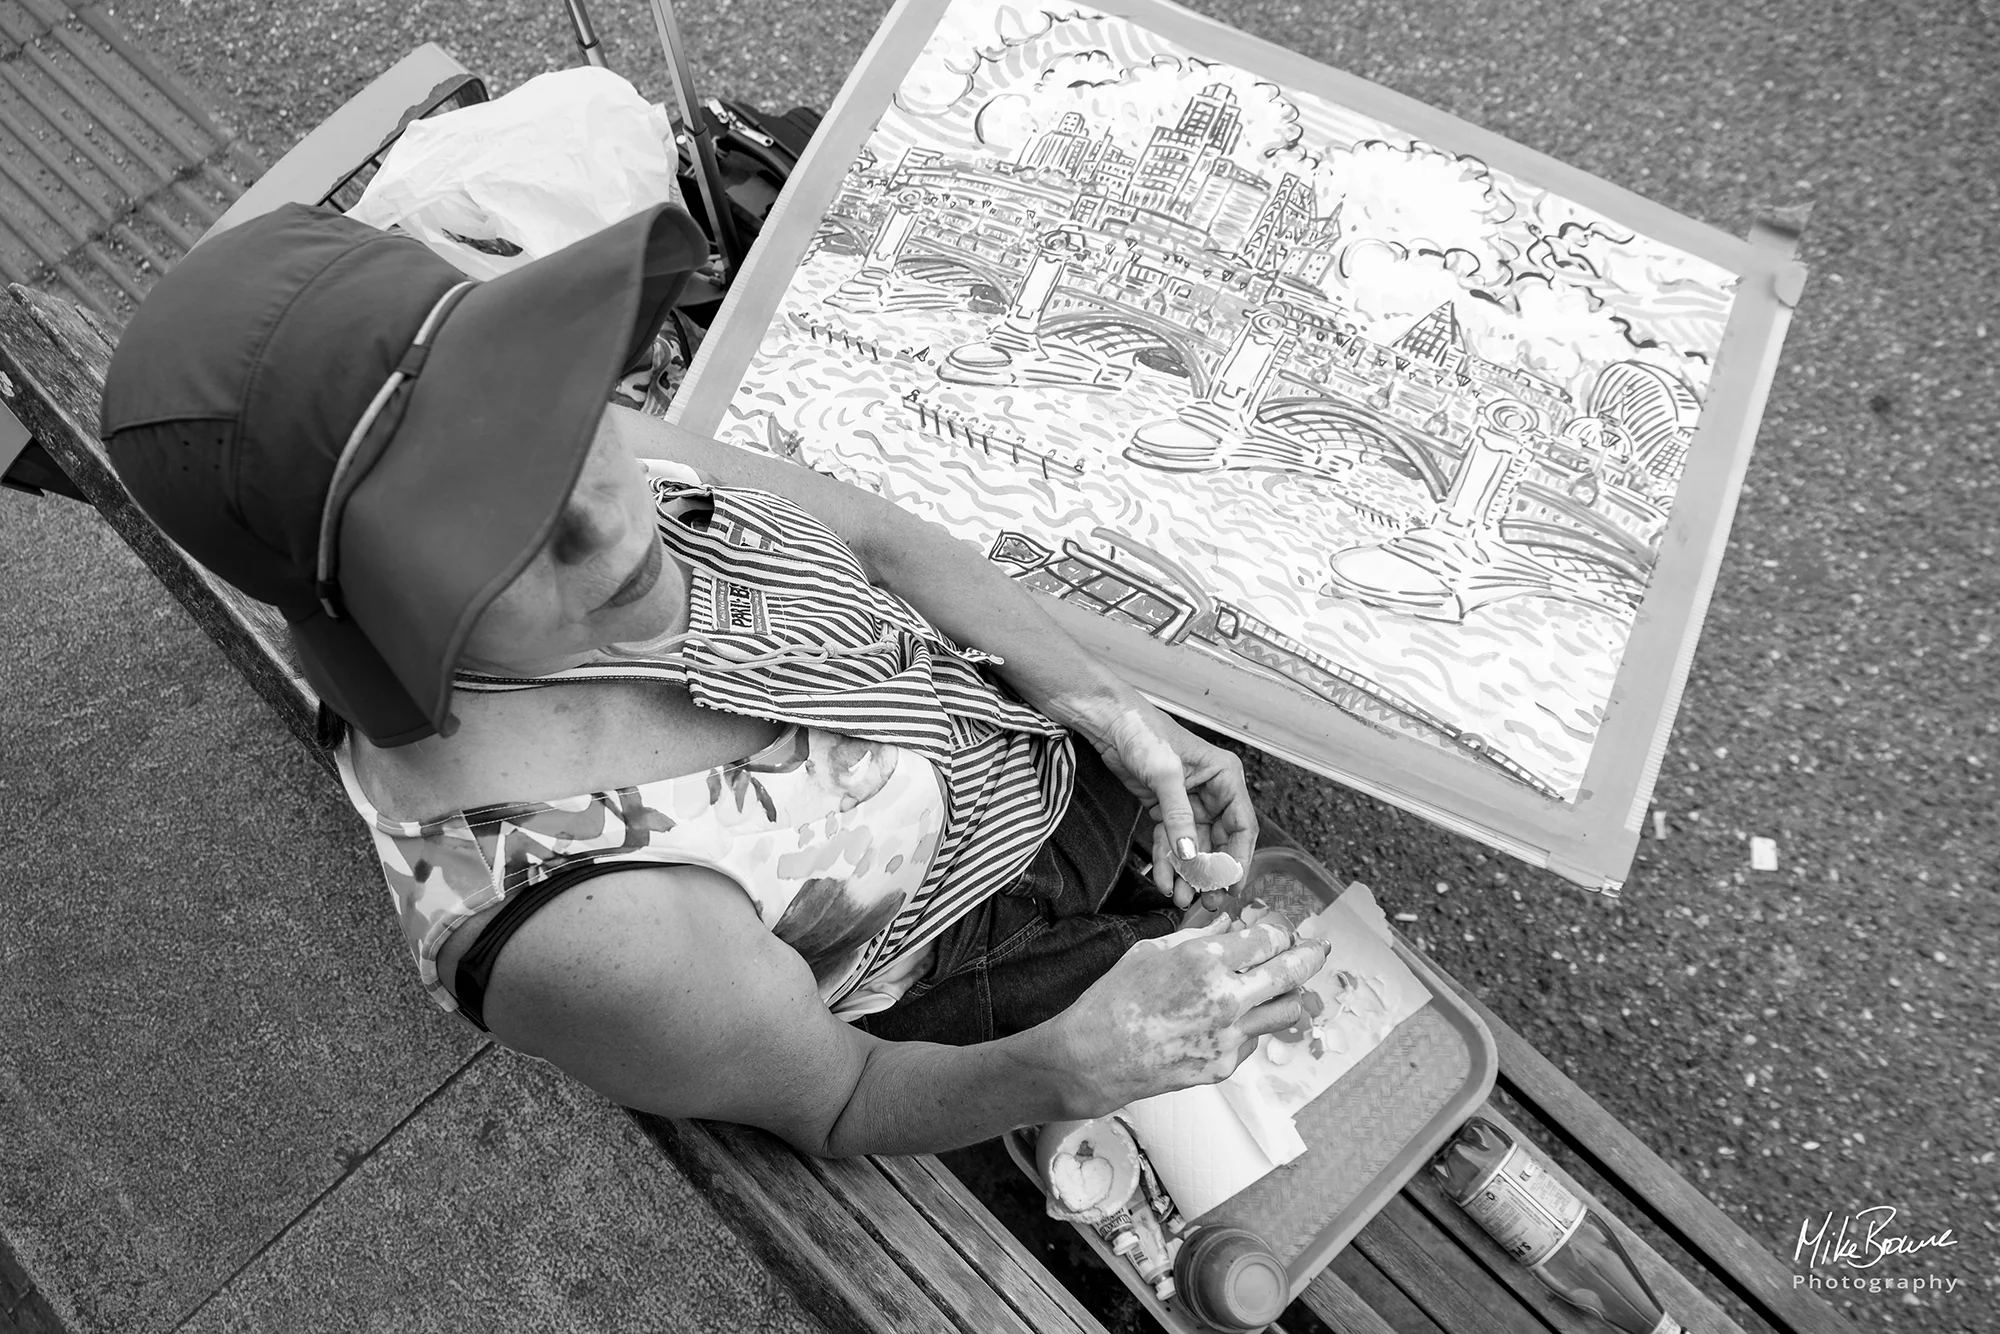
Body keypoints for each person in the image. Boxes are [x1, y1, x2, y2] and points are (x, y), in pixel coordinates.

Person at [100, 201, 1331, 1157]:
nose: (606, 521)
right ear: (371, 609)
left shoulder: (593, 449)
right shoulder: (575, 923)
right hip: (950, 958)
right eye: (485, 533)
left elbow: (875, 538)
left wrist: (1099, 704)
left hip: (1005, 746)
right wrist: (1069, 1062)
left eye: (547, 412)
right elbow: (843, 1098)